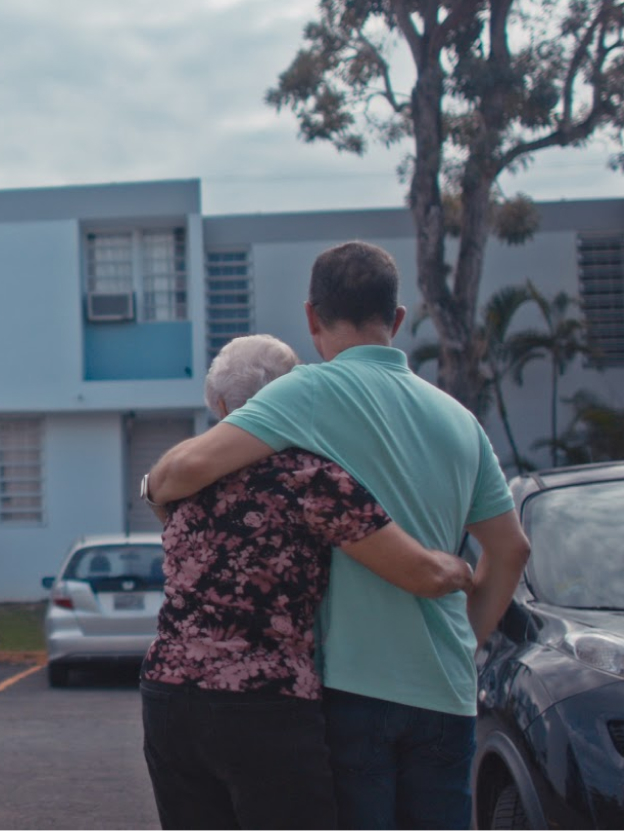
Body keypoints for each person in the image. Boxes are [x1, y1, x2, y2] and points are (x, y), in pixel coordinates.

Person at [147, 243, 531, 830]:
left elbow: (183, 472)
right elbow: (510, 551)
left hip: (351, 685)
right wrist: (468, 640)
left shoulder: (303, 394)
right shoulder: (461, 420)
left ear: (311, 317)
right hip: (447, 689)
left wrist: (153, 489)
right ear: (398, 319)